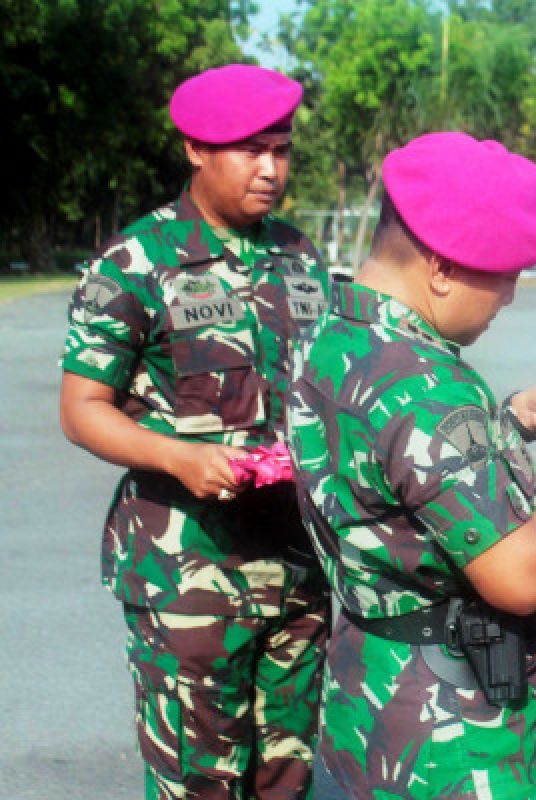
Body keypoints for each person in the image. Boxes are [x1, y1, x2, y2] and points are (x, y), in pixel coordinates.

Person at [286, 132, 536, 800]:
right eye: (502, 273)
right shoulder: (428, 385)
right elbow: (521, 577)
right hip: (453, 736)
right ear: (441, 269)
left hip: (370, 693)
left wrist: (507, 419)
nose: (510, 296)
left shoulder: (335, 330)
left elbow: (385, 472)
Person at [59, 64, 331, 798]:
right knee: (197, 781)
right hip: (187, 577)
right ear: (196, 150)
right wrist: (176, 455)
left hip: (297, 569)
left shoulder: (300, 257)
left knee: (286, 774)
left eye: (282, 149)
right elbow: (82, 408)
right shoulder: (136, 262)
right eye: (251, 151)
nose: (271, 170)